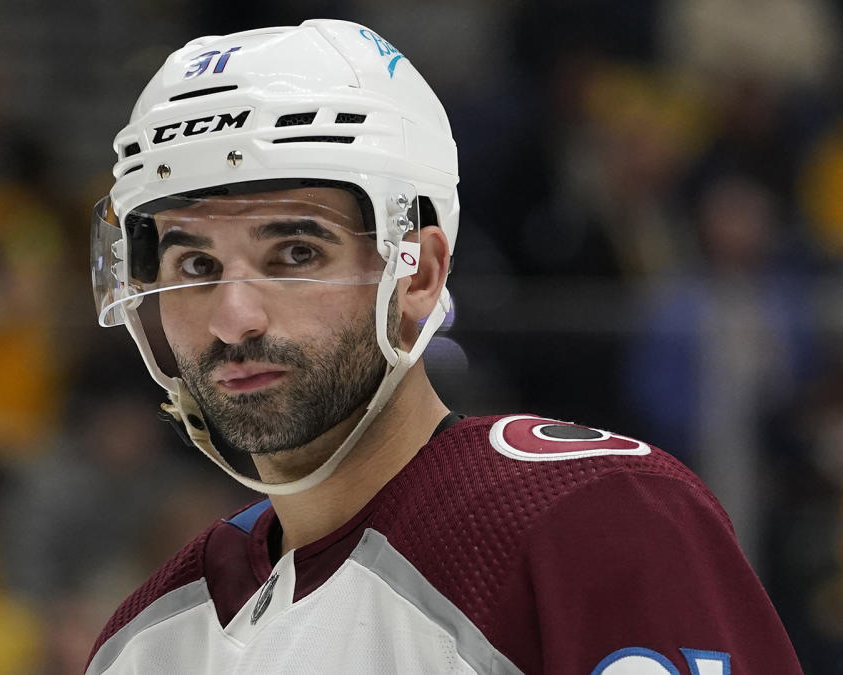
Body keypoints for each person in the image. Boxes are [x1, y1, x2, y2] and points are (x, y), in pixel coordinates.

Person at [84, 19, 802, 674]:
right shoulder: (149, 642)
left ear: (418, 272)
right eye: (196, 266)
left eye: (295, 253)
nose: (233, 318)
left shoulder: (593, 518)